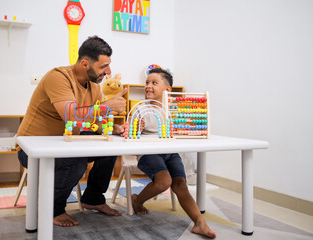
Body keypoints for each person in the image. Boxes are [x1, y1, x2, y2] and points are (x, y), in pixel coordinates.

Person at [17, 36, 127, 227]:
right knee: (76, 160)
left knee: (108, 146)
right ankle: (53, 209)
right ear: (85, 63)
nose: (108, 72)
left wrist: (114, 128)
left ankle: (93, 197)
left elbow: (92, 117)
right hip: (33, 148)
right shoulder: (58, 77)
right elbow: (71, 116)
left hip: (68, 140)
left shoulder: (94, 86)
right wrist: (107, 105)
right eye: (103, 66)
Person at [130, 68, 217, 238]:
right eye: (147, 82)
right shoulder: (140, 109)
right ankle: (137, 200)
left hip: (170, 152)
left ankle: (199, 223)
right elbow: (130, 135)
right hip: (148, 153)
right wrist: (136, 129)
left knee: (180, 185)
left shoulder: (173, 110)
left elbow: (181, 129)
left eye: (154, 83)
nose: (148, 86)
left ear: (168, 90)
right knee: (164, 182)